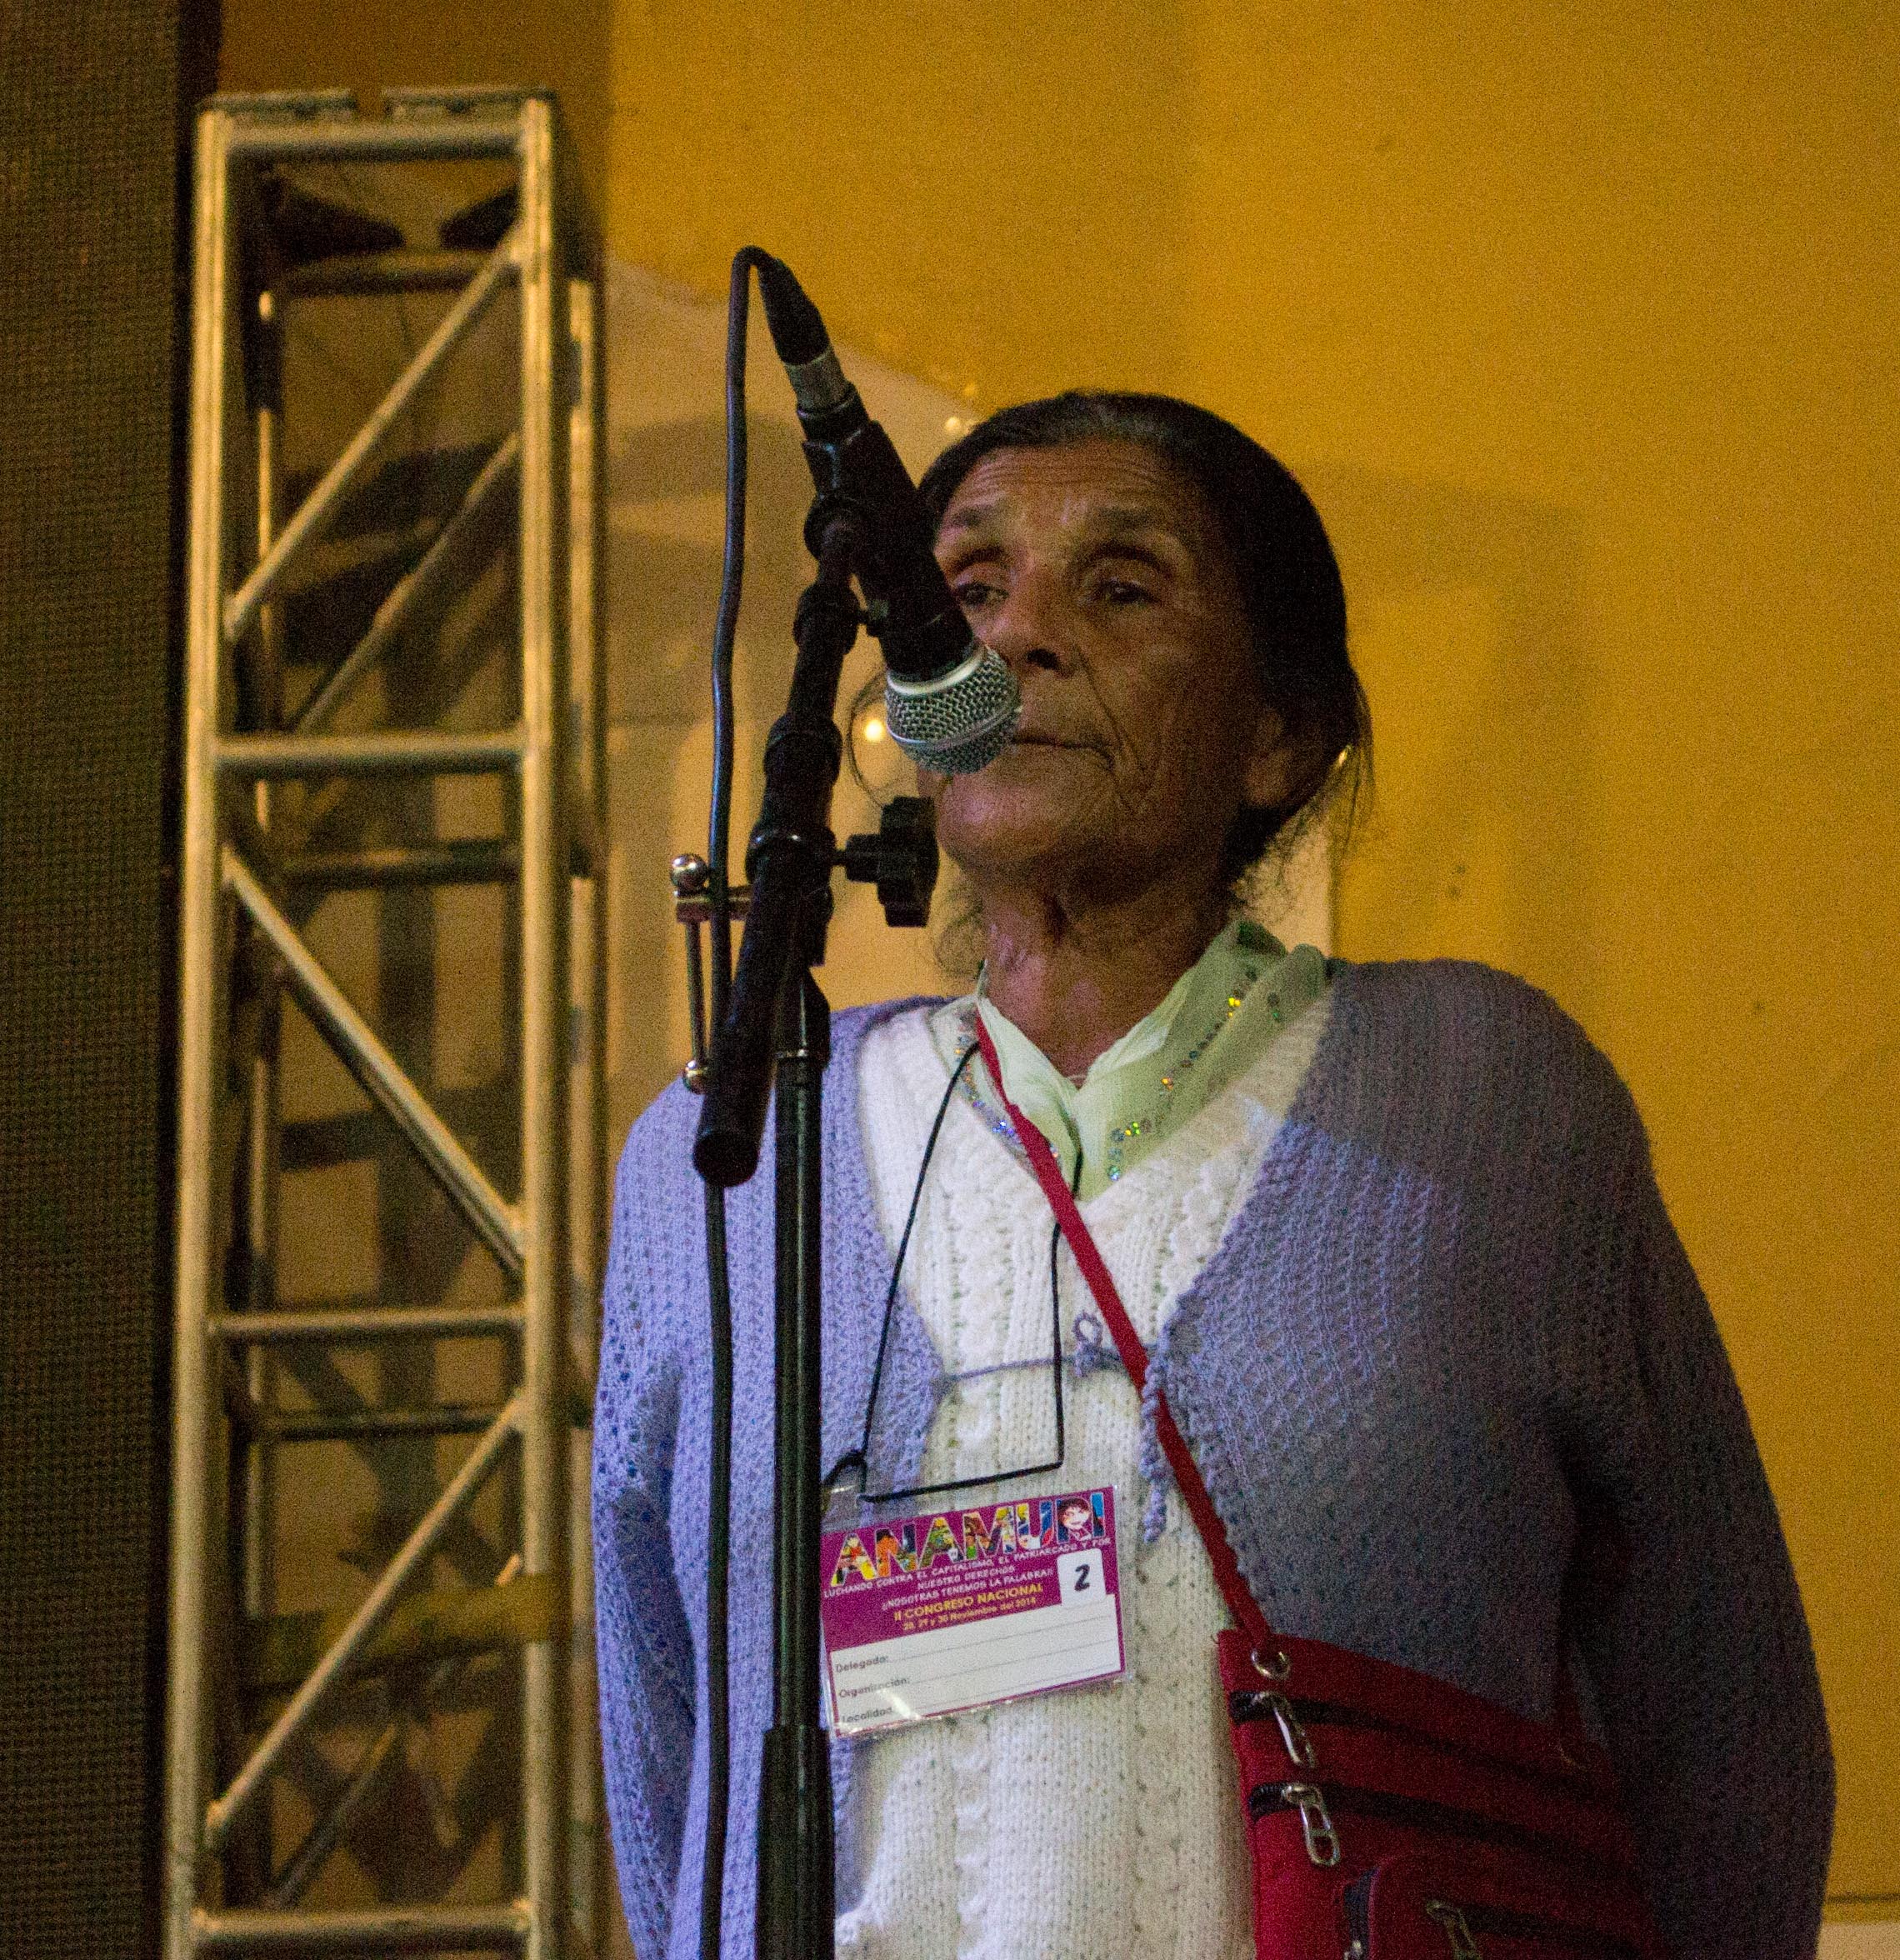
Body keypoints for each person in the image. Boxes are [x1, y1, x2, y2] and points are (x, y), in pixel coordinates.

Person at [592, 392, 1832, 1960]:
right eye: (966, 592)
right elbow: (664, 1751)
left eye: (1122, 588)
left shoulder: (1491, 1106)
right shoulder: (726, 1154)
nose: (1016, 639)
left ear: (1275, 735)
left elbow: (1723, 1741)